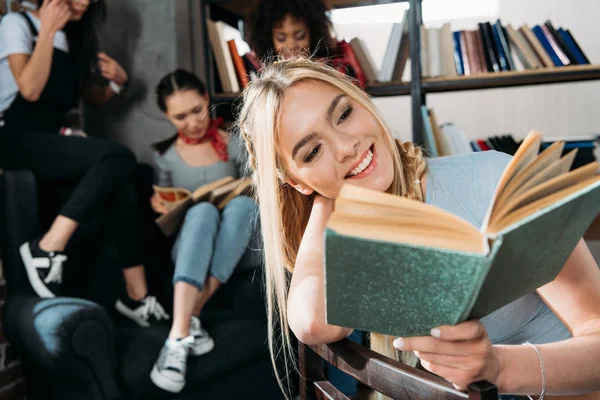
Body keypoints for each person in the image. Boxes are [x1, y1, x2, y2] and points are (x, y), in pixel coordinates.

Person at [236, 57, 600, 398]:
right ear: (295, 181)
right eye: (311, 152)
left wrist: (498, 366)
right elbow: (313, 324)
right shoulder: (347, 240)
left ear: (362, 100)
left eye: (344, 114)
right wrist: (324, 198)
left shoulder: (492, 178)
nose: (345, 146)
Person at [0, 0, 169, 326]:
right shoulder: (17, 25)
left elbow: (90, 99)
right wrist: (47, 29)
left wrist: (118, 81)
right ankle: (46, 249)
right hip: (12, 137)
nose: (84, 2)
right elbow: (30, 90)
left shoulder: (74, 38)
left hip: (51, 139)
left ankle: (137, 296)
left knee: (132, 174)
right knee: (118, 156)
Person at [149, 69, 258, 393]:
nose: (193, 122)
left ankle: (178, 332)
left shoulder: (232, 140)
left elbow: (254, 188)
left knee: (242, 206)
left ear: (207, 100)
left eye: (196, 110)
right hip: (190, 243)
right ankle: (186, 328)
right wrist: (162, 206)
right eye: (180, 116)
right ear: (167, 117)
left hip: (236, 240)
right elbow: (168, 219)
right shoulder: (164, 157)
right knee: (202, 210)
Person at [249, 0, 365, 88]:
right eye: (281, 38)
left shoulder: (336, 72)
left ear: (314, 34)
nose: (291, 45)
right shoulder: (265, 80)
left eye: (300, 36)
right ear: (269, 40)